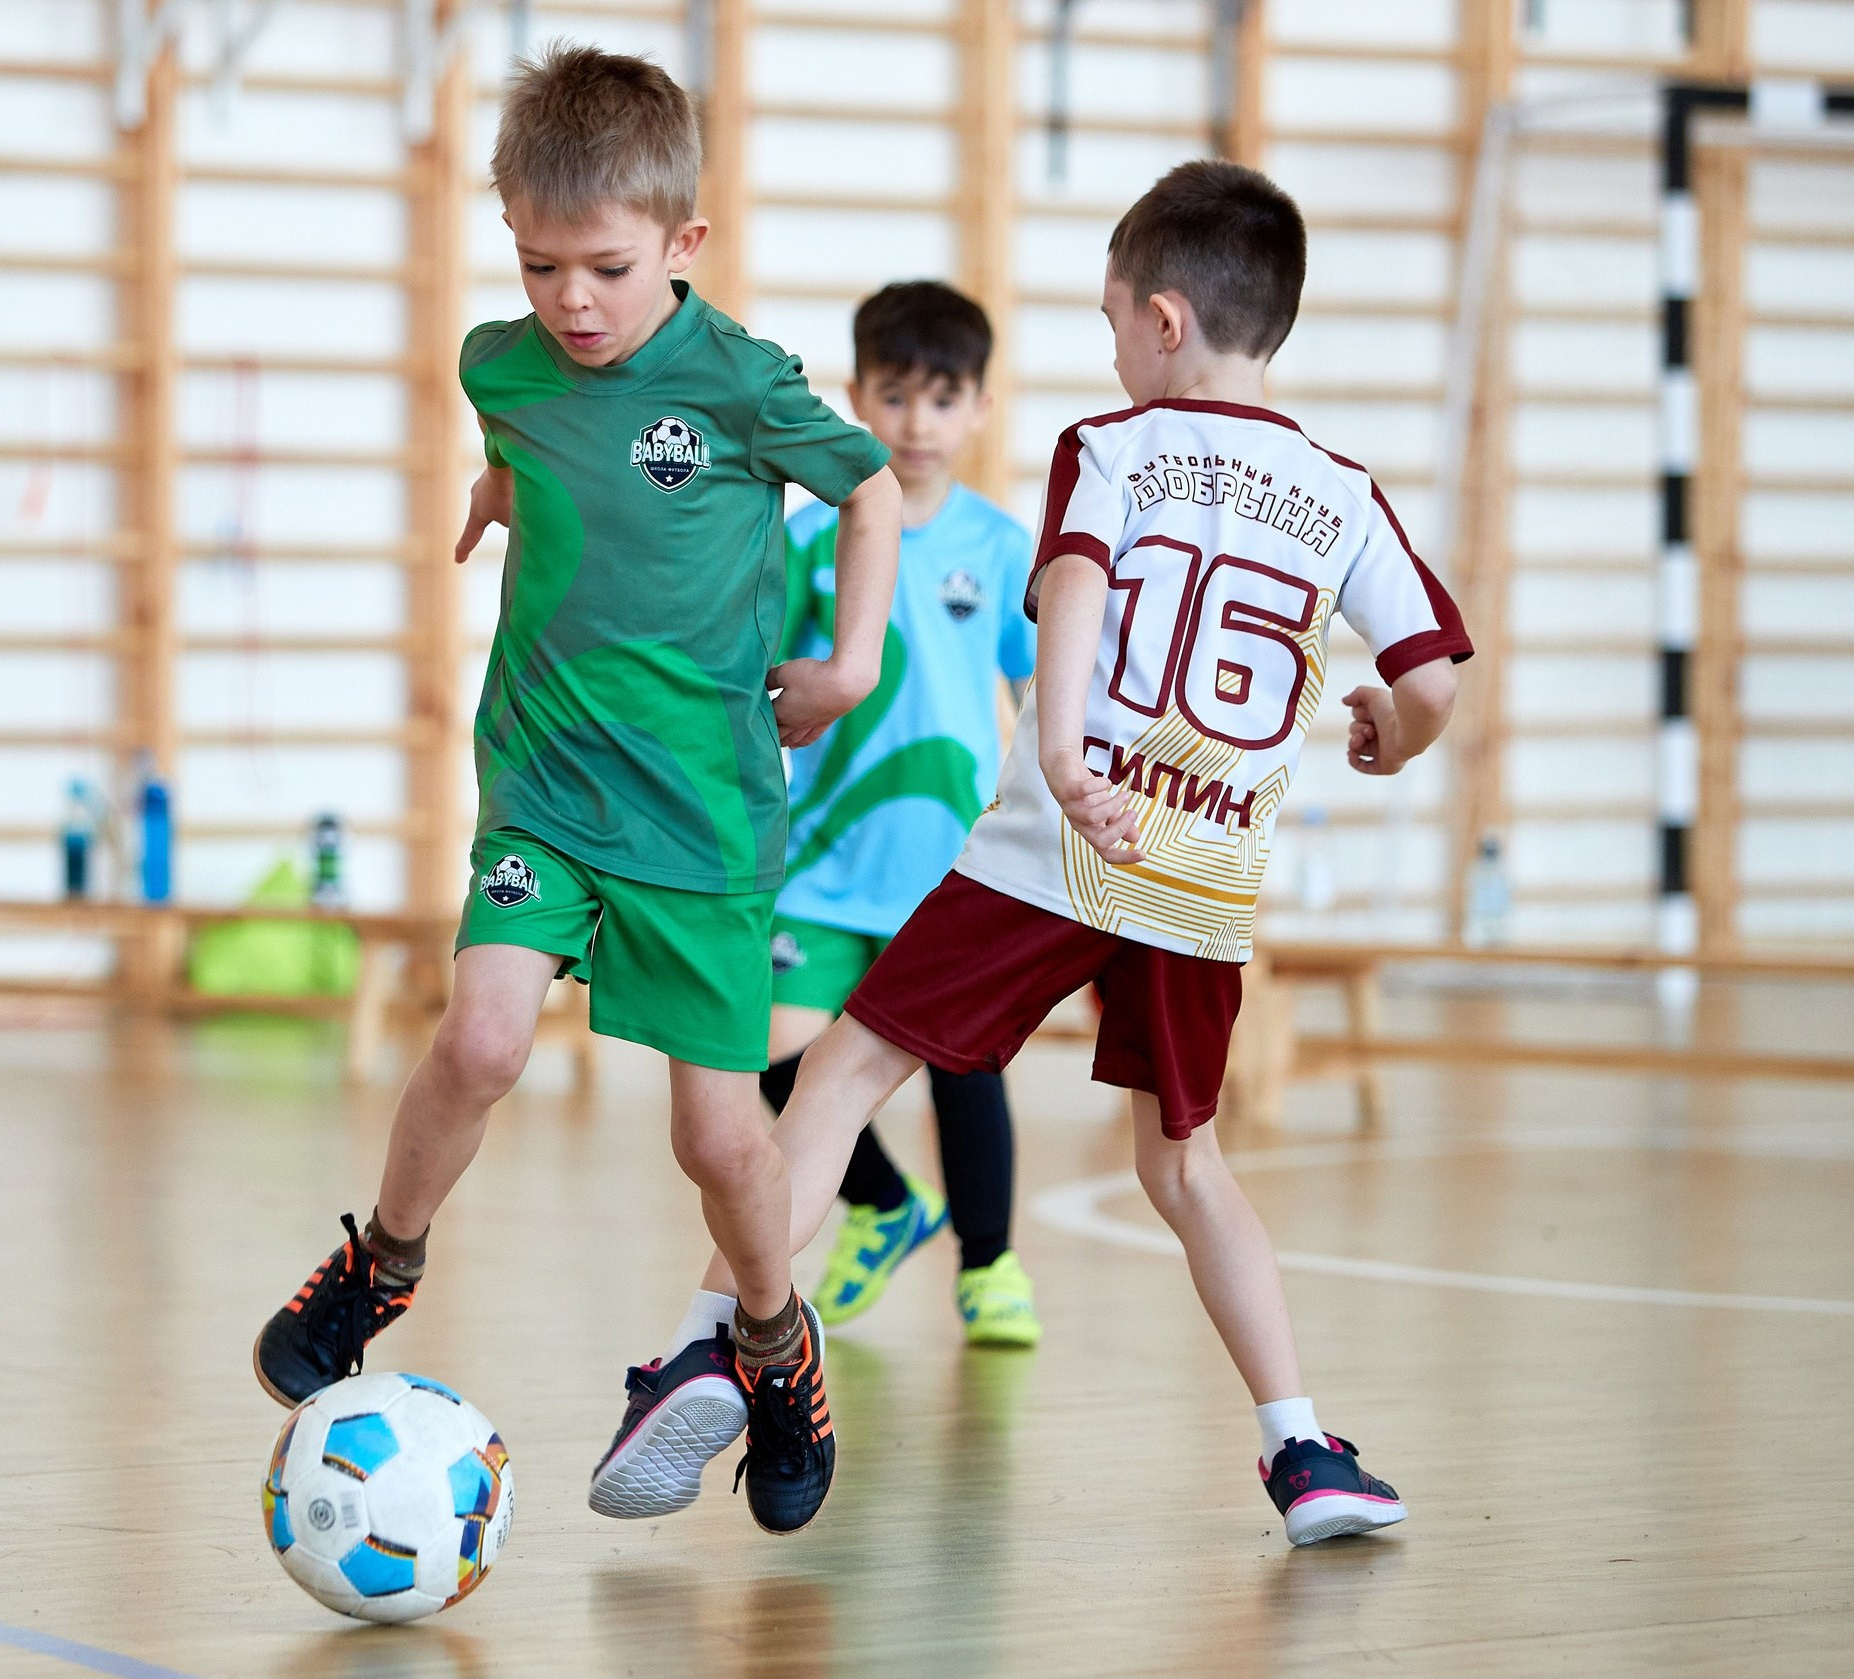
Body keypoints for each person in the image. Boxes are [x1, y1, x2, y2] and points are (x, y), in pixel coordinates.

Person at [616, 160, 1473, 1544]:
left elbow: (1073, 583)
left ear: (1169, 321)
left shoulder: (1115, 443)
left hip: (1058, 847)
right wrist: (1388, 731)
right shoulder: (1343, 488)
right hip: (1203, 880)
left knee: (837, 1072)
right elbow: (1431, 677)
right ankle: (1304, 1448)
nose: (1113, 345)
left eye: (1115, 317)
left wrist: (1068, 754)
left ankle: (716, 1335)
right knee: (1186, 1163)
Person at [248, 46, 901, 1538]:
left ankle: (772, 1339)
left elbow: (866, 492)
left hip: (704, 815)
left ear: (684, 242)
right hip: (544, 780)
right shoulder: (502, 362)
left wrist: (849, 662)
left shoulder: (740, 381)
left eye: (605, 268)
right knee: (480, 1037)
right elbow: (534, 434)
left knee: (720, 1143)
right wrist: (501, 484)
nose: (571, 302)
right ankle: (382, 1261)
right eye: (540, 266)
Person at [761, 281, 1038, 1346]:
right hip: (823, 859)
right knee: (765, 1047)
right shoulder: (806, 541)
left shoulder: (1005, 547)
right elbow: (766, 678)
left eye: (942, 399)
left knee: (962, 1075)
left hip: (954, 867)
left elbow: (1028, 691)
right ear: (854, 401)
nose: (916, 423)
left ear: (976, 409)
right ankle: (881, 1206)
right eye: (895, 396)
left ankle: (990, 1266)